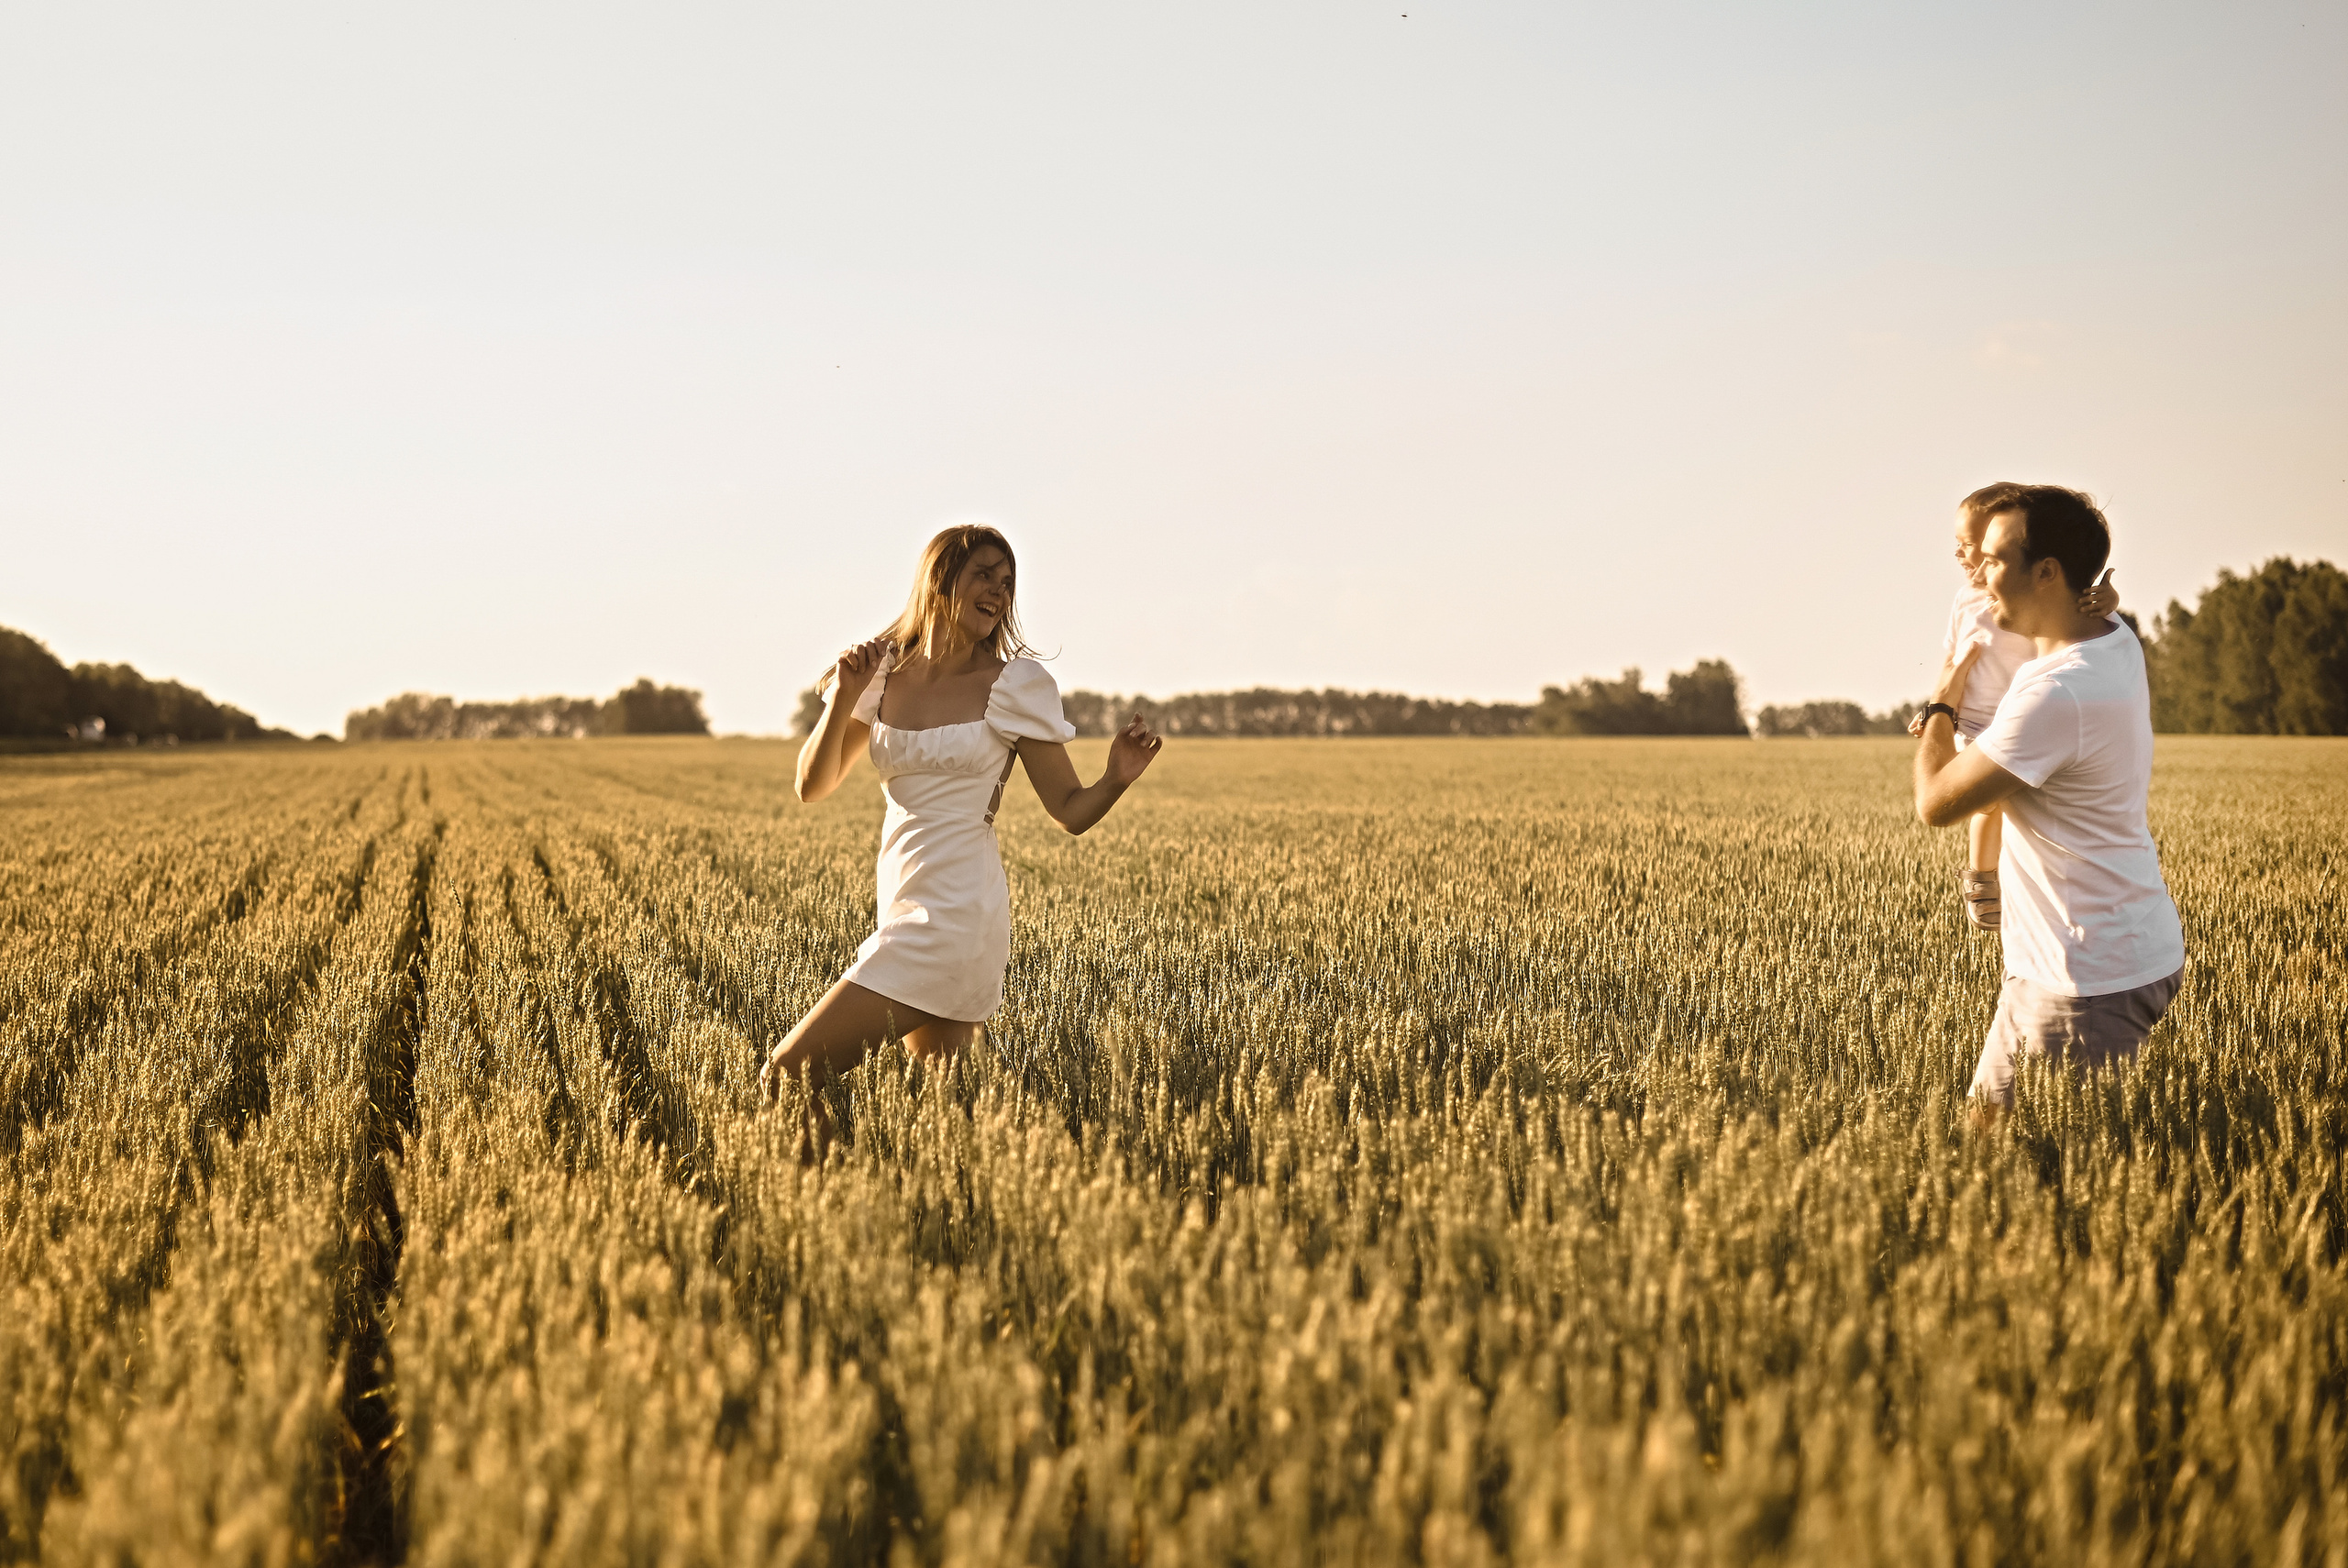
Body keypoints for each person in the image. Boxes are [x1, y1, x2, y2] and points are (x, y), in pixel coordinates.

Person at [761, 525, 1163, 1142]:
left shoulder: (1014, 685)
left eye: (1008, 582)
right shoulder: (881, 676)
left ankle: (825, 1226)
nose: (999, 592)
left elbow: (1070, 810)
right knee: (945, 1124)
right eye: (984, 575)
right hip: (903, 902)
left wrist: (1115, 779)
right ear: (940, 580)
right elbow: (810, 786)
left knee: (787, 1076)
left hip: (958, 915)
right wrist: (843, 694)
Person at [1911, 485, 2185, 1118]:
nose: (1979, 574)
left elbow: (1935, 802)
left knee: (2031, 1177)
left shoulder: (2056, 696)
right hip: (2092, 951)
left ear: (2048, 572)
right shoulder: (2111, 635)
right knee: (1990, 1140)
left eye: (1996, 560)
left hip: (2083, 977)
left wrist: (1941, 704)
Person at [1911, 481, 2119, 931]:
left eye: (1972, 545)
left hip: (2028, 715)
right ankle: (1982, 876)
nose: (1961, 555)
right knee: (1989, 805)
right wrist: (1933, 711)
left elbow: (2087, 611)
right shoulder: (1965, 602)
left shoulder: (2037, 596)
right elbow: (1951, 661)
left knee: (2027, 806)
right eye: (1961, 545)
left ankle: (2035, 887)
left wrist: (2112, 599)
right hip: (1977, 720)